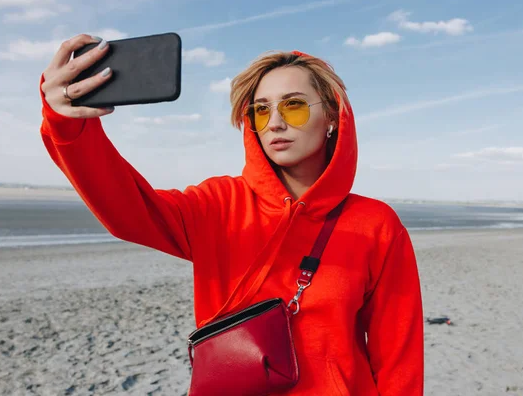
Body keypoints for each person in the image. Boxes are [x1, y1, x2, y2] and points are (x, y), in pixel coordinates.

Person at [38, 34, 424, 395]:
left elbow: (398, 359)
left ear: (333, 118)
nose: (275, 122)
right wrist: (67, 124)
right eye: (260, 110)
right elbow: (126, 209)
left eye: (293, 104)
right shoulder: (218, 204)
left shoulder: (376, 224)